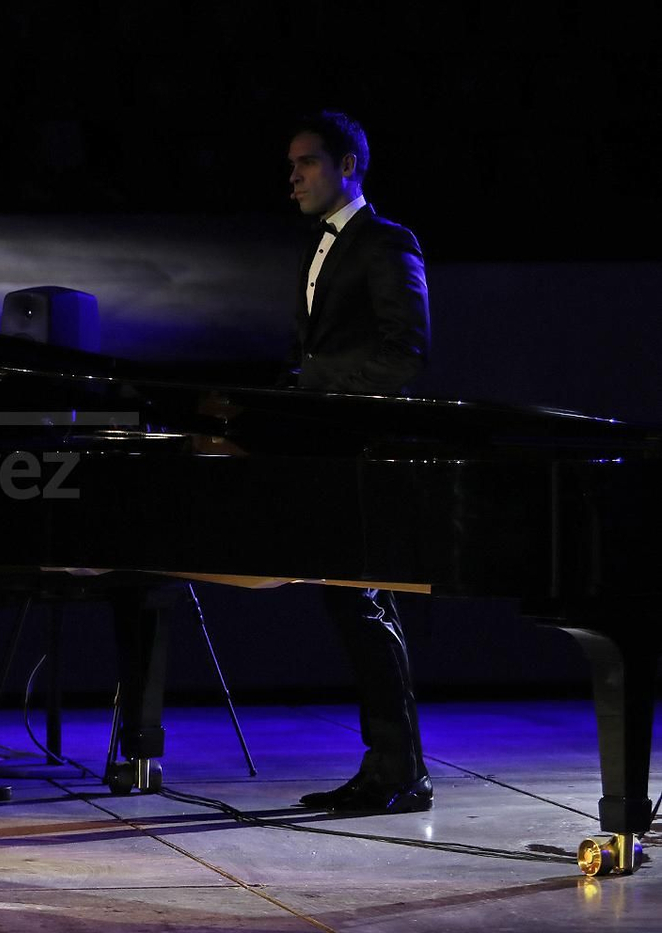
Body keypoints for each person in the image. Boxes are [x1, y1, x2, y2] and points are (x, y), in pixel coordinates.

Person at [284, 110, 433, 814]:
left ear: (348, 165)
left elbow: (406, 351)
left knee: (363, 604)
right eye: (291, 166)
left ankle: (398, 771)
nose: (293, 178)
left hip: (368, 453)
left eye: (306, 162)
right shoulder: (318, 247)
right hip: (331, 452)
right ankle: (394, 767)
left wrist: (317, 391)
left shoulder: (385, 240)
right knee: (355, 605)